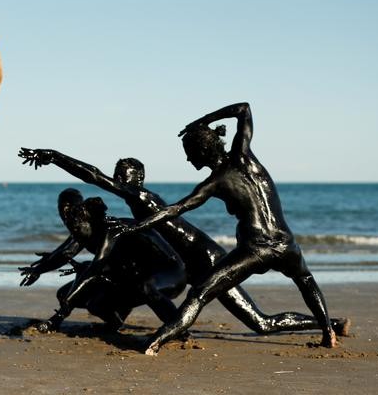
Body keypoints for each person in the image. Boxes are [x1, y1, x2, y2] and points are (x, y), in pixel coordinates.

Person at [19, 148, 350, 337]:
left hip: (208, 260)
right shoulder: (139, 211)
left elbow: (93, 176)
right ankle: (170, 328)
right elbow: (131, 232)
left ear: (135, 179)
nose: (117, 180)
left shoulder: (144, 198)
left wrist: (54, 156)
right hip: (185, 266)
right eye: (117, 174)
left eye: (122, 175)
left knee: (259, 323)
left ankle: (330, 324)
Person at [109, 102, 339, 354]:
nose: (188, 158)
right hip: (287, 244)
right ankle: (328, 330)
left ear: (201, 150)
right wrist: (204, 120)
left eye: (189, 152)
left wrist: (135, 227)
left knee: (198, 295)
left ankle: (154, 342)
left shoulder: (214, 182)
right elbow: (244, 109)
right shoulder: (244, 156)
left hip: (256, 249)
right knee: (305, 279)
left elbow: (174, 210)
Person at [20, 189, 186, 333]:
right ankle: (116, 323)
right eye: (62, 209)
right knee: (87, 300)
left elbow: (93, 268)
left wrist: (61, 313)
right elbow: (65, 253)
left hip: (168, 273)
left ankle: (177, 328)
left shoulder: (107, 228)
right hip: (132, 277)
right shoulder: (82, 229)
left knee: (141, 285)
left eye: (70, 208)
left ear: (81, 208)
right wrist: (39, 270)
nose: (65, 213)